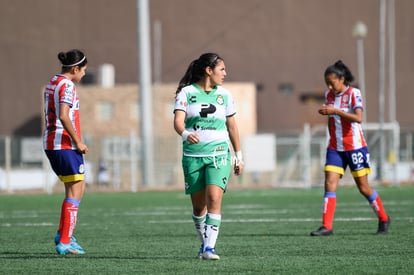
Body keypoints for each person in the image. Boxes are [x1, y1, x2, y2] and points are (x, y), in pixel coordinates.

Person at [173, 53, 244, 260]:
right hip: (192, 156)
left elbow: (232, 127)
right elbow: (178, 122)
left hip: (219, 155)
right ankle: (204, 244)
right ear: (208, 70)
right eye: (221, 69)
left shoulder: (225, 95)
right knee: (198, 207)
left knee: (214, 198)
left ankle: (209, 249)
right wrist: (186, 134)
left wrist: (238, 156)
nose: (225, 73)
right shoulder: (186, 93)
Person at [310, 60, 390, 236]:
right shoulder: (329, 95)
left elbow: (358, 118)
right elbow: (331, 120)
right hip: (335, 148)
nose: (330, 87)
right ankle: (326, 226)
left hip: (355, 147)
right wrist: (331, 134)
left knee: (363, 187)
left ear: (342, 78)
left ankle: (383, 218)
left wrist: (335, 111)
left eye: (332, 82)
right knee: (329, 184)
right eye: (327, 83)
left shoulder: (354, 93)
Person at [43, 49, 88, 254]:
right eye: (83, 70)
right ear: (75, 68)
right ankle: (64, 241)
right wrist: (78, 141)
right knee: (76, 189)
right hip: (65, 143)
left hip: (52, 143)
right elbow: (64, 115)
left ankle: (64, 234)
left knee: (75, 188)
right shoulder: (67, 85)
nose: (84, 74)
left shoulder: (53, 81)